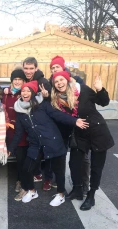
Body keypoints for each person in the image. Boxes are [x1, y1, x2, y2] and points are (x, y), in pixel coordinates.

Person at [8, 80, 88, 206]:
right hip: (35, 144)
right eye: (23, 90)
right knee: (26, 169)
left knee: (58, 171)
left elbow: (57, 115)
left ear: (33, 93)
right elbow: (18, 133)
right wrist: (10, 149)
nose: (25, 92)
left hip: (53, 141)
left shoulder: (43, 105)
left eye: (28, 90)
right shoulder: (19, 112)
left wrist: (74, 121)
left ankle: (61, 194)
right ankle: (32, 191)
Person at [51, 71, 114, 210]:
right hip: (79, 134)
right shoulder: (58, 99)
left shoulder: (82, 90)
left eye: (61, 80)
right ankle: (77, 189)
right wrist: (75, 121)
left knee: (96, 167)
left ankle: (91, 195)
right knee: (74, 163)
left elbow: (103, 102)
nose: (59, 83)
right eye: (56, 81)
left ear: (67, 80)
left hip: (97, 131)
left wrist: (100, 89)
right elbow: (62, 117)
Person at [42, 55, 90, 194]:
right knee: (59, 153)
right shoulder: (51, 83)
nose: (54, 69)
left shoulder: (76, 81)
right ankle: (58, 179)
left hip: (79, 124)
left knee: (82, 157)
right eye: (52, 68)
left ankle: (84, 186)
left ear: (63, 67)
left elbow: (85, 99)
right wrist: (45, 97)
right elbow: (50, 106)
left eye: (57, 66)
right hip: (61, 125)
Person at [2, 69, 29, 200]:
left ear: (24, 81)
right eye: (15, 79)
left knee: (21, 159)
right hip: (8, 131)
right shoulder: (6, 94)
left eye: (20, 79)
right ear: (12, 81)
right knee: (14, 156)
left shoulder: (25, 93)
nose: (17, 82)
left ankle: (21, 181)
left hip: (22, 131)